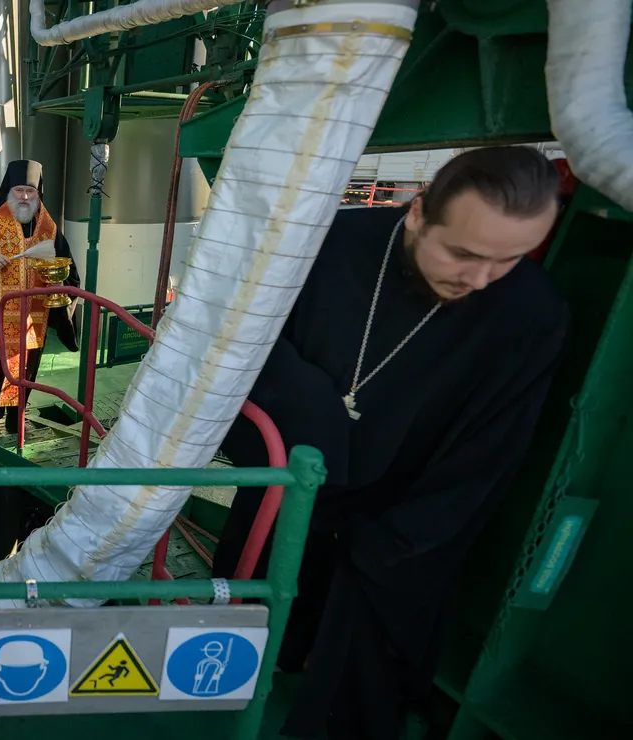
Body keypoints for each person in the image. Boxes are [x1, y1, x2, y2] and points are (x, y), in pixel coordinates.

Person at [211, 146, 570, 740]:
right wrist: (312, 417)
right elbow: (243, 345)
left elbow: (489, 456)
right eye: (463, 253)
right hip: (289, 486)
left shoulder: (531, 313)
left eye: (508, 260)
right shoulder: (321, 245)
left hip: (398, 516)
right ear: (418, 211)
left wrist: (397, 542)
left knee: (357, 682)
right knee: (237, 647)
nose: (480, 280)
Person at [0, 160, 79, 434]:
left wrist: (58, 281)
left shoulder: (49, 230)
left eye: (30, 191)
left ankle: (14, 422)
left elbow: (68, 270)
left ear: (38, 194)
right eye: (19, 190)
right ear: (9, 192)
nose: (24, 196)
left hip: (34, 320)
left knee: (25, 372)